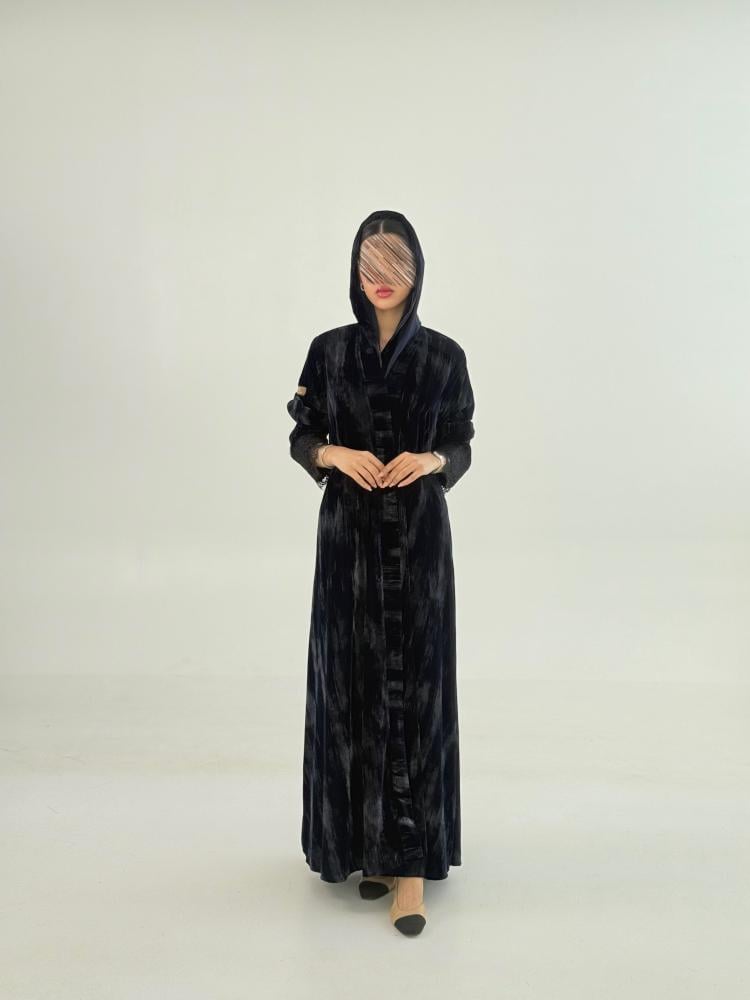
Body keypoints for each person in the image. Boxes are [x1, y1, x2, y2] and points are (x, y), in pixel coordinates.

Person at [286, 209, 476, 936]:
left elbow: (461, 439)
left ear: (416, 270)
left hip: (419, 540)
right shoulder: (328, 351)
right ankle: (366, 846)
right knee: (351, 682)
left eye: (396, 262)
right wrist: (334, 454)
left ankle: (412, 866)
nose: (382, 277)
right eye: (370, 262)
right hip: (348, 540)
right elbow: (302, 432)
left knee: (416, 686)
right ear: (354, 271)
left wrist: (431, 460)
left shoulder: (445, 357)